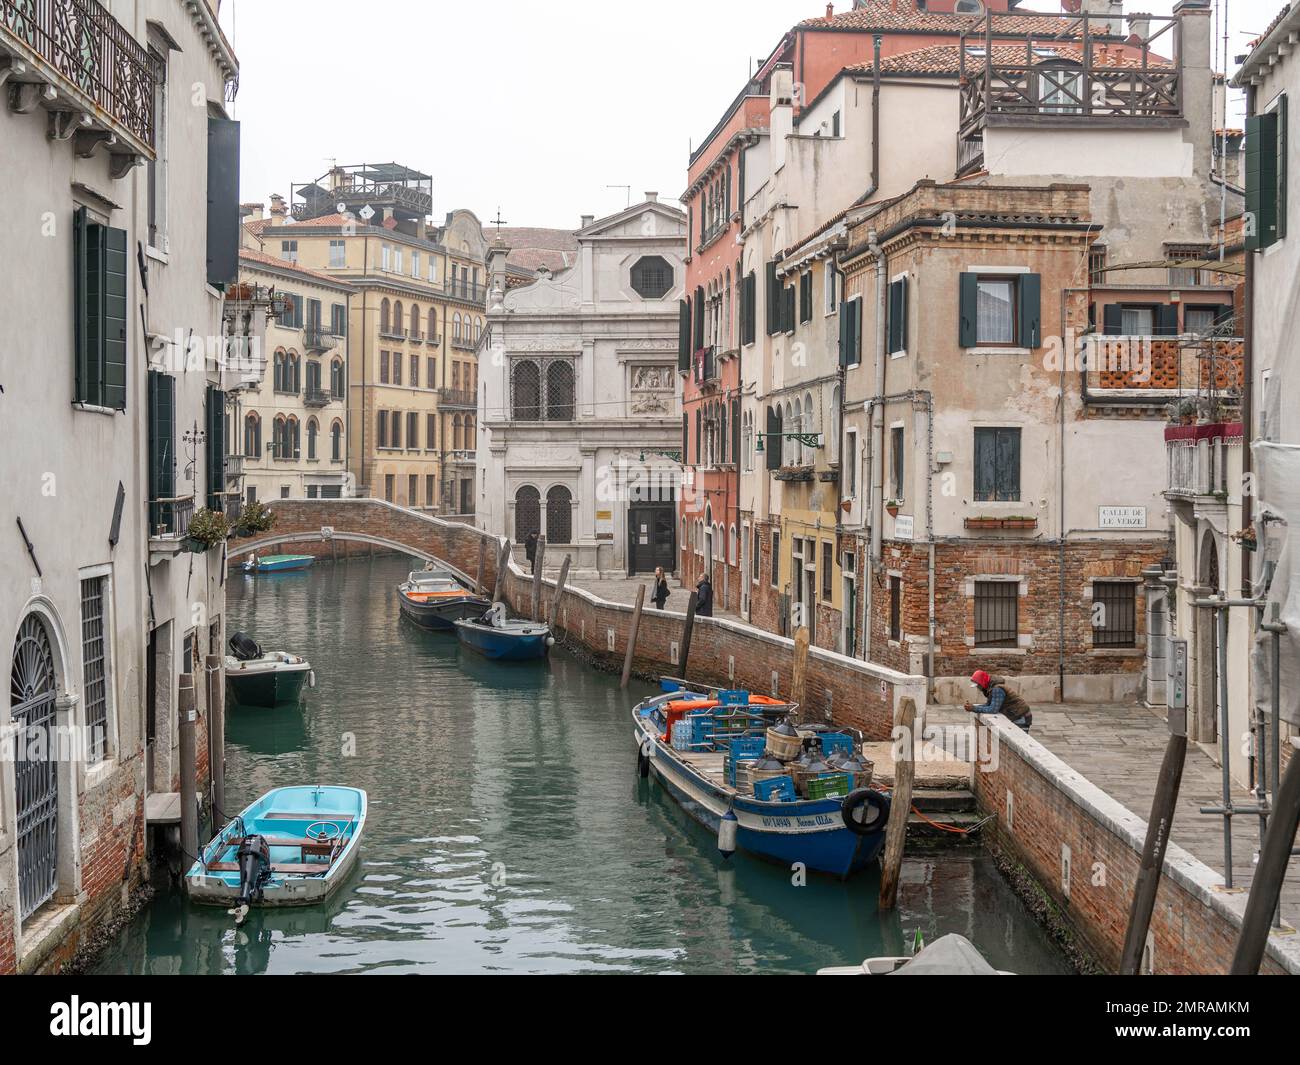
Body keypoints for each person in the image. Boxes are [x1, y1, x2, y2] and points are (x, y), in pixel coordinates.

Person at [964, 670, 1033, 732]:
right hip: (1016, 715)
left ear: (982, 682)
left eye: (978, 685)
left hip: (1021, 716)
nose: (978, 688)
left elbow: (993, 709)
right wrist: (972, 706)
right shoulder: (991, 688)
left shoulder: (997, 689)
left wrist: (974, 708)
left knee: (1019, 740)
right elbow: (988, 704)